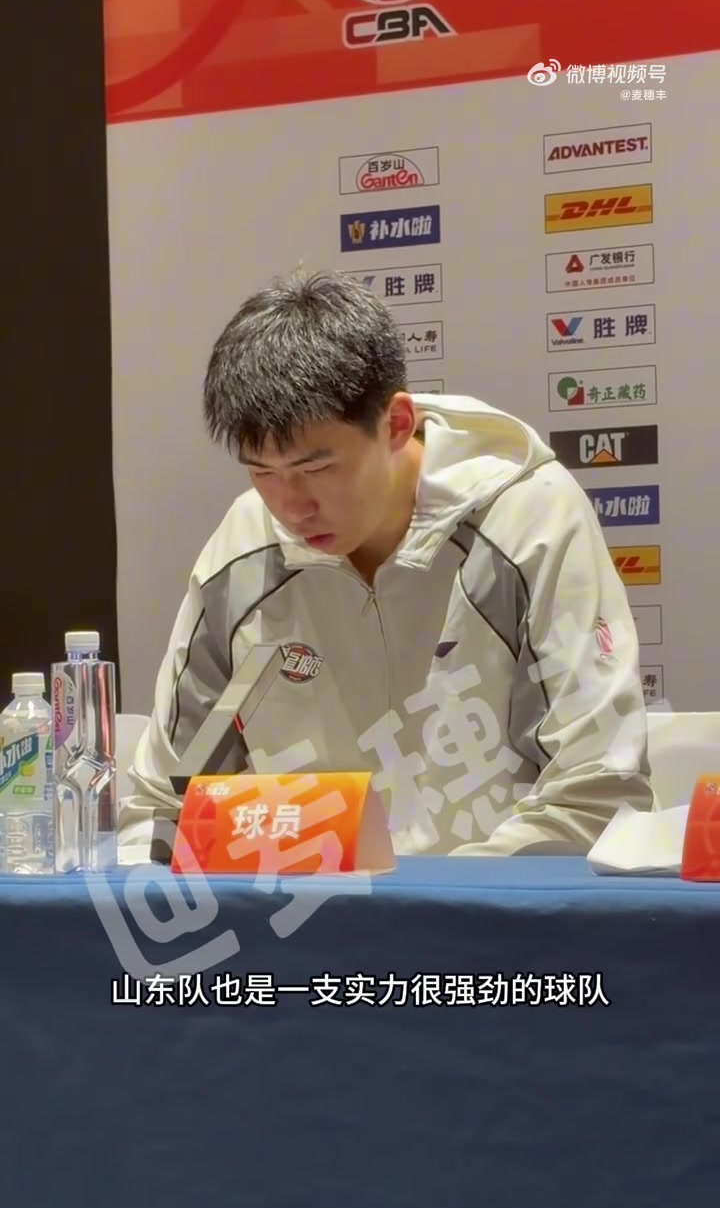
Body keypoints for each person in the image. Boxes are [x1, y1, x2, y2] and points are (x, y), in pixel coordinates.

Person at [118, 269, 653, 860]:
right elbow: (163, 809)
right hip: (309, 914)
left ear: (396, 423)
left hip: (492, 913)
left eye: (317, 469)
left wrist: (426, 905)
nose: (291, 507)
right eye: (262, 472)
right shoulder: (244, 550)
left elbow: (596, 795)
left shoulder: (529, 521)